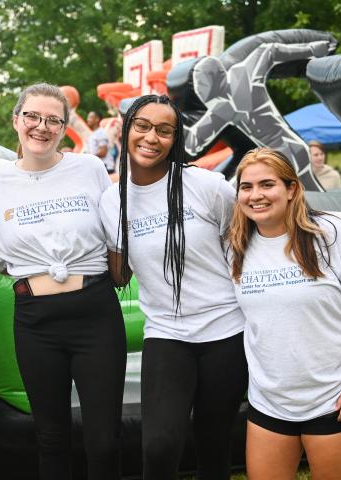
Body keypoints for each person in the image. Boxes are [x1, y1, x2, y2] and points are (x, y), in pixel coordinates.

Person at [0, 83, 127, 480]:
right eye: (32, 116)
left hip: (94, 313)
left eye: (52, 120)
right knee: (51, 436)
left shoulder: (89, 169)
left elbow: (115, 234)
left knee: (104, 439)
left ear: (64, 128)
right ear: (16, 120)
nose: (41, 127)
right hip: (35, 320)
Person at [101, 94, 248, 480]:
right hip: (167, 334)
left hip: (226, 330)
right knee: (160, 446)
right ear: (126, 130)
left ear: (175, 139)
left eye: (164, 130)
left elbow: (245, 247)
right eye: (143, 126)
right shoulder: (111, 201)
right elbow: (120, 276)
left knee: (214, 441)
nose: (152, 137)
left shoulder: (207, 186)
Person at [227, 147, 341, 479]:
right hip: (269, 403)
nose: (256, 195)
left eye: (267, 185)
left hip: (332, 400)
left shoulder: (330, 236)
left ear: (292, 189)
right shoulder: (237, 246)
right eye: (247, 187)